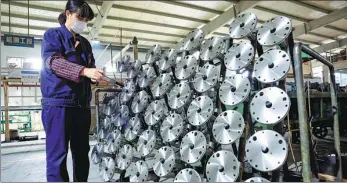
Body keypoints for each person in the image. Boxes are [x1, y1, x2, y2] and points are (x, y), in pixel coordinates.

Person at [40, 0, 104, 181]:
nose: (83, 22)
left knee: (82, 153)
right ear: (68, 13)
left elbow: (90, 66)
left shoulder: (85, 43)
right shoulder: (53, 35)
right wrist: (84, 71)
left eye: (86, 19)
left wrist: (93, 75)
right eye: (79, 17)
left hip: (81, 106)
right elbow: (53, 62)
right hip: (58, 106)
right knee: (57, 156)